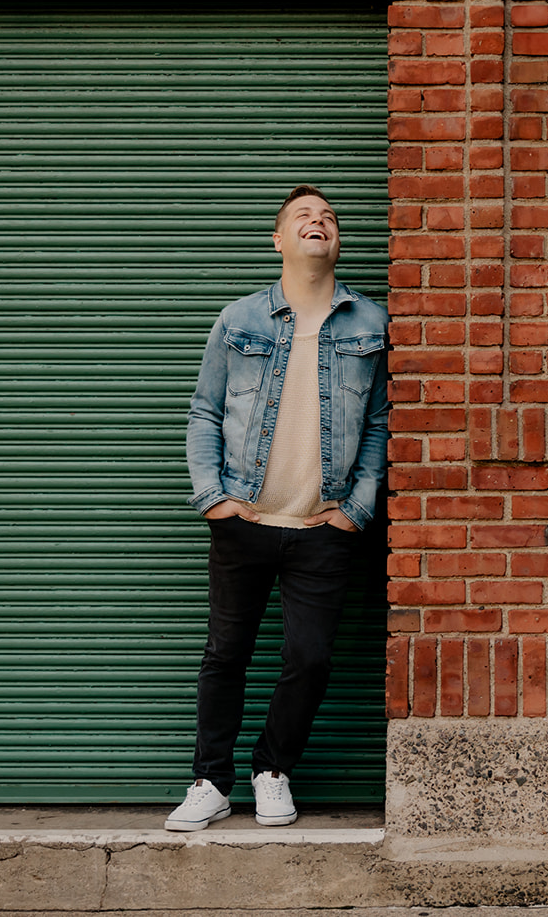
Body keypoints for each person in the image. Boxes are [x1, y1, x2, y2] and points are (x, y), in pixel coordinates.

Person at [163, 185, 389, 831]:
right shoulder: (240, 319)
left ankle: (273, 769)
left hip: (324, 527)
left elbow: (379, 421)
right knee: (225, 653)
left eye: (328, 217)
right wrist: (216, 499)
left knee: (310, 657)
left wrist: (357, 508)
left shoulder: (371, 324)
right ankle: (209, 779)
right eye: (302, 216)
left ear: (337, 239)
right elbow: (204, 410)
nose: (317, 223)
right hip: (245, 520)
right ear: (278, 239)